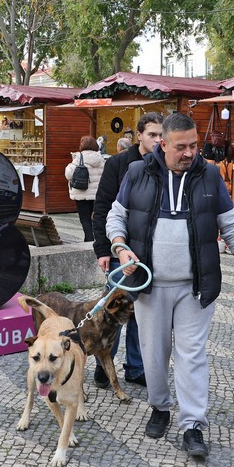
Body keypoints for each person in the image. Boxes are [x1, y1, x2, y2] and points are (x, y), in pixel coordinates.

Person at [106, 113, 234, 460]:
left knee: (192, 356)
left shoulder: (209, 175)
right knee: (154, 355)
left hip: (196, 287)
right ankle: (160, 407)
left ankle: (192, 424)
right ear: (164, 144)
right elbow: (116, 216)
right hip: (150, 286)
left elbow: (232, 226)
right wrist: (120, 246)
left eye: (194, 145)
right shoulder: (137, 173)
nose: (190, 152)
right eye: (181, 147)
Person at [92, 113, 165, 389]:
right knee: (115, 312)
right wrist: (104, 249)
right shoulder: (119, 163)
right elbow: (102, 209)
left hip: (150, 252)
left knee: (141, 314)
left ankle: (135, 367)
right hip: (120, 250)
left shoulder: (165, 165)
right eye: (152, 135)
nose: (158, 141)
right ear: (140, 136)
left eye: (161, 136)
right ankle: (103, 364)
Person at [65, 135, 105, 242]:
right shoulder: (101, 159)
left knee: (85, 218)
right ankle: (95, 238)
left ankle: (89, 238)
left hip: (81, 192)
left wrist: (70, 163)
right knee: (96, 217)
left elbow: (69, 174)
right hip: (97, 193)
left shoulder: (79, 158)